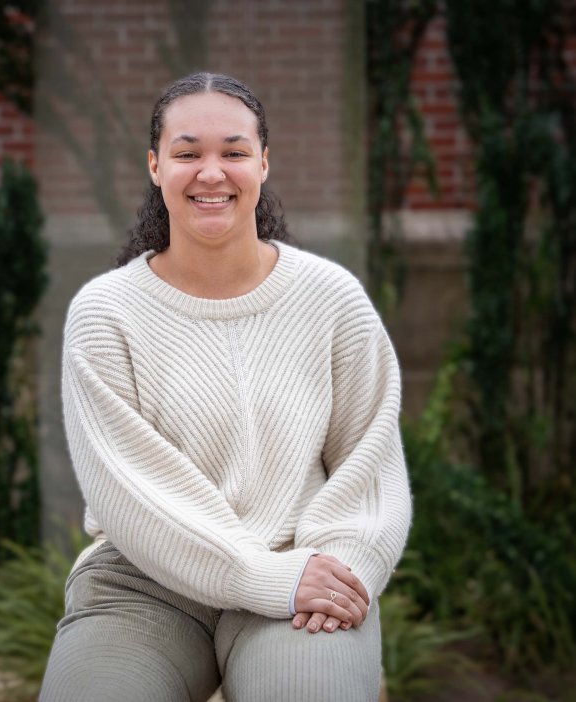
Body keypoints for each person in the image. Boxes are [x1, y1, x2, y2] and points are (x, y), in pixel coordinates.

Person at [40, 72, 411, 702]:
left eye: (233, 152)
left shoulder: (330, 299)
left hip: (304, 566)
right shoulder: (106, 313)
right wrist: (258, 575)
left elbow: (369, 464)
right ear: (156, 167)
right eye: (188, 153)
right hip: (145, 580)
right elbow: (132, 490)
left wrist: (347, 570)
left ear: (263, 165)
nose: (211, 171)